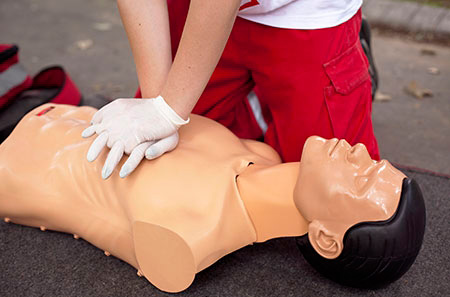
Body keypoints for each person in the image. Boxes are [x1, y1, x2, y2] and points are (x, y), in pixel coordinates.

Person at [0, 104, 424, 292]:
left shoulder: (187, 240)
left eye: (363, 182)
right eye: (376, 163)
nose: (362, 153)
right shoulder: (260, 154)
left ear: (325, 239)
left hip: (14, 167)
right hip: (59, 115)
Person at [81, 0, 380, 179]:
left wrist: (169, 110)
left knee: (334, 183)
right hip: (198, 9)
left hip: (304, 11)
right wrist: (155, 106)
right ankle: (256, 104)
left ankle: (353, 59)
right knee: (167, 161)